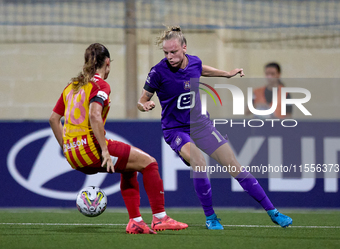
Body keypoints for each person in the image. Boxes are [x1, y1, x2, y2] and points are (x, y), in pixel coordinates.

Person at [138, 27, 293, 229]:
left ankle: (273, 212)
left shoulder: (194, 62)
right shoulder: (158, 72)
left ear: (184, 48)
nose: (170, 57)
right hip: (176, 129)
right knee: (199, 162)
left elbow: (201, 69)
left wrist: (227, 74)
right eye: (166, 53)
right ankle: (211, 217)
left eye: (173, 52)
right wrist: (145, 105)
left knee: (234, 165)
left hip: (201, 125)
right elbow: (142, 99)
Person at [49, 43, 187, 234]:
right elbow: (95, 115)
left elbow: (54, 119)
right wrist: (104, 150)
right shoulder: (100, 85)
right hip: (92, 150)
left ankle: (136, 221)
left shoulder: (71, 87)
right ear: (107, 62)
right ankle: (160, 218)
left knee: (129, 167)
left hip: (73, 155)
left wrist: (67, 147)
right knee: (150, 164)